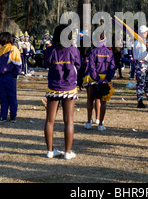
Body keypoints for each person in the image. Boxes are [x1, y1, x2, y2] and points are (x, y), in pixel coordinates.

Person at [43, 24, 81, 159]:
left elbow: (45, 64)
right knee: (69, 120)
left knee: (49, 120)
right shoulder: (73, 50)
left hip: (53, 86)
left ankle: (49, 151)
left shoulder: (49, 50)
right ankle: (68, 152)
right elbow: (78, 65)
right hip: (69, 87)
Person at [83, 34, 116, 131]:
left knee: (90, 100)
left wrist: (97, 78)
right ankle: (100, 123)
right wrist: (107, 79)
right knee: (103, 102)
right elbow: (112, 67)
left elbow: (91, 67)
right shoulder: (109, 53)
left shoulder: (93, 52)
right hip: (105, 79)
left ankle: (89, 122)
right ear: (105, 40)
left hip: (93, 79)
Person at [0, 32, 22, 123]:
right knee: (3, 97)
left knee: (11, 96)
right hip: (0, 77)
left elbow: (18, 64)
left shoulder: (13, 49)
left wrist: (14, 75)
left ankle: (13, 115)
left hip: (9, 76)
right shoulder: (0, 50)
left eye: (0, 39)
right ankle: (3, 115)